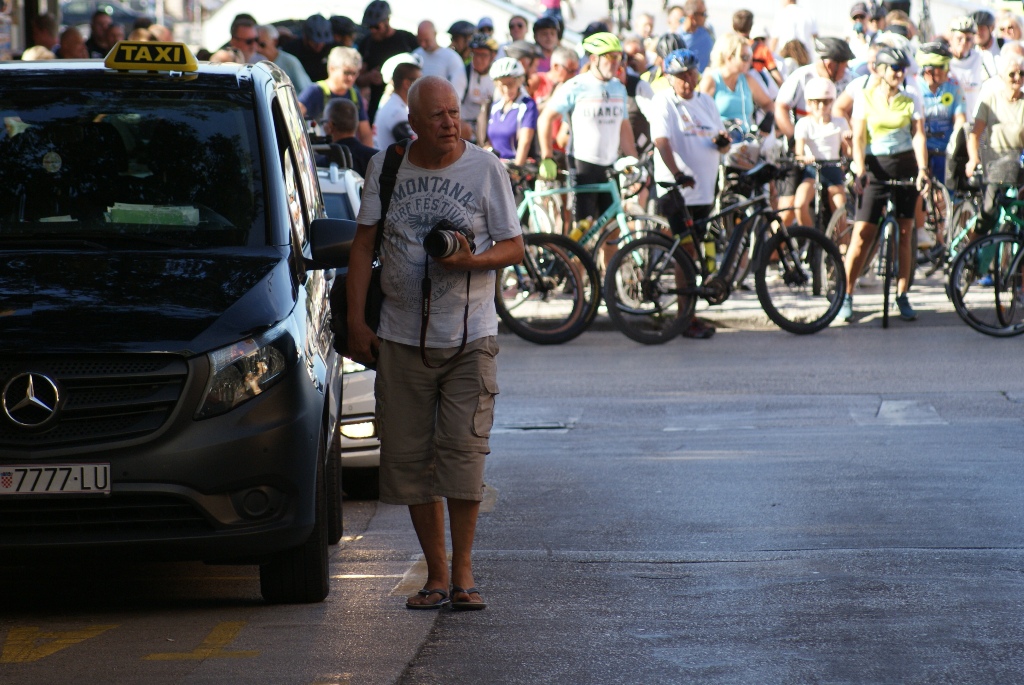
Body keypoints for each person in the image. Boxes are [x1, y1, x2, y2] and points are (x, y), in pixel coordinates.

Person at [347, 75, 524, 612]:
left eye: (455, 113)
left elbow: (514, 247)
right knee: (410, 459)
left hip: (471, 338)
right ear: (414, 123)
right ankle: (436, 574)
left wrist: (471, 261)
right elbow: (363, 246)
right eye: (438, 116)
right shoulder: (388, 165)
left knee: (463, 457)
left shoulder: (486, 168)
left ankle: (465, 574)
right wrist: (356, 321)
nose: (450, 124)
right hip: (399, 339)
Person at [839, 46, 929, 323]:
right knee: (863, 234)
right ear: (880, 69)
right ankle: (846, 294)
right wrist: (860, 169)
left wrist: (923, 168)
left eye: (902, 69)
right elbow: (859, 138)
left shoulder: (911, 96)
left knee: (905, 231)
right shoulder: (864, 96)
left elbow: (918, 135)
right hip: (876, 168)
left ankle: (902, 294)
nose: (899, 74)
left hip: (905, 167)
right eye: (893, 68)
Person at [649, 48, 729, 339]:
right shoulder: (664, 101)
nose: (687, 81)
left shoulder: (706, 101)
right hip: (677, 190)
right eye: (680, 76)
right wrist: (678, 173)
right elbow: (661, 140)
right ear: (670, 78)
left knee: (694, 251)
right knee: (684, 252)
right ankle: (685, 317)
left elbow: (721, 144)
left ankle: (687, 313)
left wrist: (723, 143)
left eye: (690, 74)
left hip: (705, 190)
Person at [536, 33, 639, 239]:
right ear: (594, 59)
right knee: (581, 230)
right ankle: (571, 269)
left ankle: (607, 272)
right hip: (583, 164)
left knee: (612, 228)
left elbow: (624, 127)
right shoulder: (576, 85)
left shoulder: (618, 87)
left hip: (609, 164)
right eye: (609, 57)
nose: (615, 63)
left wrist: (633, 160)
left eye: (618, 57)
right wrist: (547, 156)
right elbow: (545, 119)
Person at [775, 37, 856, 228]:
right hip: (802, 147)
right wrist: (795, 139)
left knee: (839, 208)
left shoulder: (847, 79)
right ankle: (771, 251)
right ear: (830, 64)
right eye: (843, 65)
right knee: (788, 208)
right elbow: (780, 108)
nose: (845, 70)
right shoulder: (802, 76)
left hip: (831, 157)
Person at [966, 52, 1024, 239]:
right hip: (994, 160)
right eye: (1012, 74)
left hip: (1017, 161)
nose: (1018, 78)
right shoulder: (990, 99)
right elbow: (975, 134)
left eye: (1022, 74)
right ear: (1002, 76)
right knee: (989, 211)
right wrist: (973, 159)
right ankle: (970, 252)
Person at [792, 77, 851, 230]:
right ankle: (810, 237)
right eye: (815, 101)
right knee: (799, 204)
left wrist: (848, 142)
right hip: (813, 170)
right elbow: (799, 152)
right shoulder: (804, 123)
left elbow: (848, 153)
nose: (820, 106)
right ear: (809, 102)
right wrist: (804, 158)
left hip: (833, 169)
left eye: (825, 101)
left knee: (841, 212)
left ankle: (842, 250)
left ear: (832, 101)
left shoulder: (840, 122)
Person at [698, 33, 774, 133]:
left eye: (750, 58)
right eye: (744, 58)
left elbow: (768, 104)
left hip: (746, 142)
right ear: (729, 57)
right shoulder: (711, 80)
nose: (749, 62)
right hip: (720, 143)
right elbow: (699, 114)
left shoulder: (747, 80)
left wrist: (767, 121)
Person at [298, 46, 374, 146]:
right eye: (347, 72)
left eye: (355, 73)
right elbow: (292, 118)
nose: (351, 78)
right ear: (331, 69)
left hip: (346, 156)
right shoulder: (315, 91)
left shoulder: (354, 95)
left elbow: (365, 134)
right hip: (319, 155)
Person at [357, 1, 418, 123]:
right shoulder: (366, 43)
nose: (373, 31)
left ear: (387, 21)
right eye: (370, 27)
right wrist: (369, 77)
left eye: (376, 27)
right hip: (376, 106)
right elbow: (357, 78)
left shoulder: (406, 39)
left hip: (406, 105)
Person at [485, 57, 538, 166]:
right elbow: (490, 141)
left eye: (510, 84)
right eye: (501, 85)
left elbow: (525, 142)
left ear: (519, 81)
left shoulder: (527, 105)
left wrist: (517, 169)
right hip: (494, 166)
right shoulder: (494, 106)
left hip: (513, 167)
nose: (506, 90)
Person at [949, 16, 995, 124]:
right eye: (959, 38)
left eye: (968, 39)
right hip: (951, 122)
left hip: (973, 121)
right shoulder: (945, 59)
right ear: (951, 39)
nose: (964, 42)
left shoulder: (978, 58)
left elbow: (989, 86)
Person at [322, 98, 379, 177]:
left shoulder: (321, 166)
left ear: (330, 126)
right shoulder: (377, 159)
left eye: (323, 122)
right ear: (356, 124)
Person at [374, 58, 422, 150]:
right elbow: (414, 148)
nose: (423, 85)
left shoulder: (394, 105)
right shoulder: (396, 111)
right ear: (407, 83)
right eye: (419, 81)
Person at [414, 22, 467, 99]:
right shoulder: (415, 55)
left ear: (435, 34)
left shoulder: (452, 58)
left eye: (427, 40)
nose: (423, 45)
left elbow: (457, 91)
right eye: (420, 40)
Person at [463, 34, 498, 143]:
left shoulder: (498, 75)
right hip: (466, 128)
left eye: (483, 55)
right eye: (475, 54)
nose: (477, 59)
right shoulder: (464, 72)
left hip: (489, 128)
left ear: (492, 56)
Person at [258, 24, 313, 93]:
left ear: (275, 41)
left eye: (262, 44)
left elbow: (307, 90)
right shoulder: (254, 64)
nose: (257, 48)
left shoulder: (290, 62)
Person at [281, 15, 334, 82]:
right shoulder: (293, 49)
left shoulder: (331, 49)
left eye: (323, 42)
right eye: (315, 42)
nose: (319, 45)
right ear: (306, 37)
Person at [677, 0, 713, 72]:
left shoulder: (708, 30)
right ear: (692, 17)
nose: (706, 17)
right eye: (703, 14)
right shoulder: (678, 38)